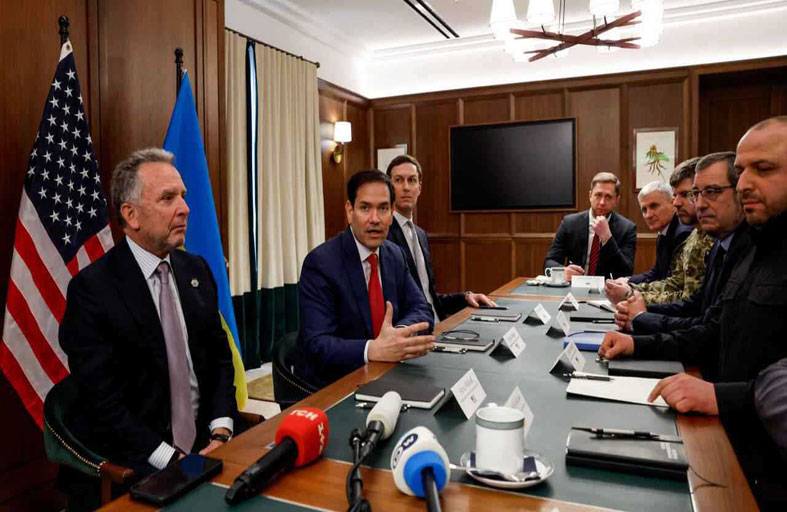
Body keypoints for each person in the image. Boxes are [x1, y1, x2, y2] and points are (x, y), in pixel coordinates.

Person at [598, 117, 787, 509]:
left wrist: (721, 396)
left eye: (764, 169)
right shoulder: (751, 247)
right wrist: (638, 341)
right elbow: (713, 324)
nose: (746, 184)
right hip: (731, 440)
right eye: (741, 172)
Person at [59, 149, 237, 484]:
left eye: (183, 196)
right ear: (131, 215)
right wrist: (171, 459)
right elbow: (101, 401)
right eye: (168, 198)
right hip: (136, 463)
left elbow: (219, 362)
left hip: (209, 449)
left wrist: (222, 431)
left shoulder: (196, 270)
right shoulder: (92, 290)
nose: (185, 208)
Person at [296, 170, 435, 389]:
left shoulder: (394, 255)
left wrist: (398, 335)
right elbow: (317, 344)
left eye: (383, 208)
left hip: (389, 374)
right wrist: (372, 349)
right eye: (365, 208)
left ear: (392, 212)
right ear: (349, 211)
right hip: (336, 384)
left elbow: (422, 308)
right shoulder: (321, 263)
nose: (375, 219)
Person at [613, 152, 749, 335]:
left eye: (711, 192)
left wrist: (637, 305)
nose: (699, 204)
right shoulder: (707, 239)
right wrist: (638, 308)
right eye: (695, 194)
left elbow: (705, 323)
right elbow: (691, 297)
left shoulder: (715, 240)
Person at [385, 154, 496, 322]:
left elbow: (428, 297)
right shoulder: (383, 236)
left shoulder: (420, 235)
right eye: (399, 180)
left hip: (439, 324)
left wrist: (465, 297)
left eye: (412, 180)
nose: (406, 187)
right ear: (389, 187)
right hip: (415, 330)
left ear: (419, 188)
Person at [605, 158, 713, 305]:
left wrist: (630, 294)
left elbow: (688, 301)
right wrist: (630, 287)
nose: (648, 215)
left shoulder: (686, 233)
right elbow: (671, 281)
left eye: (686, 194)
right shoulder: (690, 234)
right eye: (644, 209)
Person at [544, 172, 636, 279]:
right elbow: (549, 262)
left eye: (608, 197)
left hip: (607, 287)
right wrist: (562, 271)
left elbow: (626, 271)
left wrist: (607, 238)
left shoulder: (627, 228)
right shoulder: (570, 223)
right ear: (590, 195)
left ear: (616, 200)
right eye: (598, 195)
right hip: (574, 285)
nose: (602, 202)